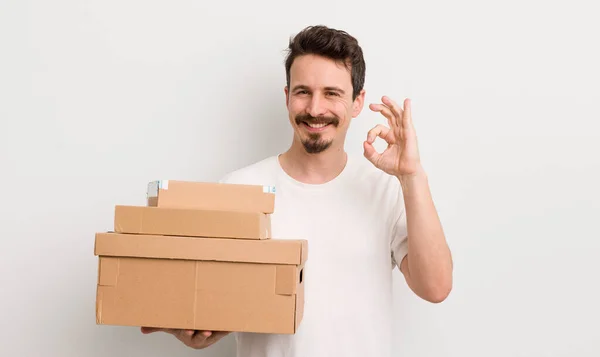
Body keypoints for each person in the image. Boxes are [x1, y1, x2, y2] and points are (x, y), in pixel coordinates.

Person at [141, 25, 453, 357]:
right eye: (303, 91)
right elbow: (215, 301)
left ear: (358, 101)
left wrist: (412, 176)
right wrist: (195, 325)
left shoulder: (386, 190)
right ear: (287, 95)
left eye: (332, 93)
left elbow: (435, 287)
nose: (315, 109)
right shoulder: (239, 190)